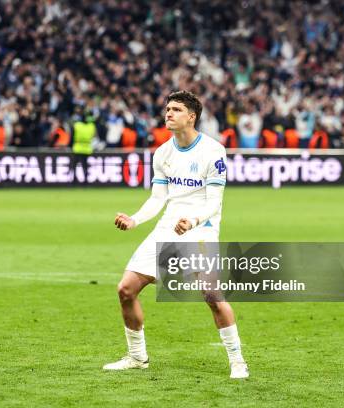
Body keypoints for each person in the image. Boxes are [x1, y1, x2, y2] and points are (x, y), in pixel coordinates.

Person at [103, 91, 249, 379]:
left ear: (191, 116)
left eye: (176, 109)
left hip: (201, 229)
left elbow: (214, 201)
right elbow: (158, 198)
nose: (168, 114)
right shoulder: (163, 153)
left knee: (213, 296)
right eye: (167, 109)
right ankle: (136, 357)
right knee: (126, 289)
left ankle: (238, 361)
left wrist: (192, 221)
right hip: (168, 227)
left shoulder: (213, 151)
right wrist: (134, 220)